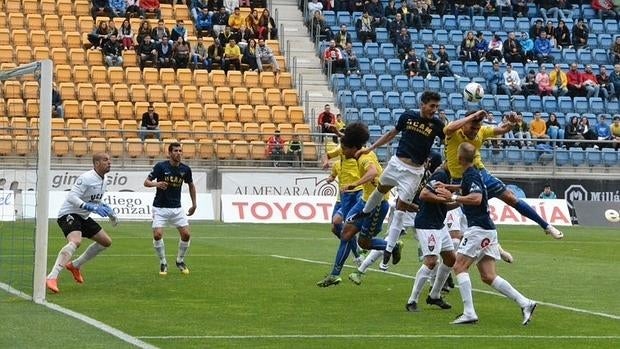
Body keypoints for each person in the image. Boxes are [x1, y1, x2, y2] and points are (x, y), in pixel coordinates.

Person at [439, 143, 537, 325]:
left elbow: (476, 199)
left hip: (478, 229)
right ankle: (526, 303)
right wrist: (448, 187)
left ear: (459, 159)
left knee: (459, 266)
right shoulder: (472, 174)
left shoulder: (471, 175)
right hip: (487, 229)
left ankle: (469, 312)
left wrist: (452, 196)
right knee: (488, 276)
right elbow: (468, 189)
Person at [348, 91, 445, 269]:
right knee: (380, 190)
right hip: (396, 163)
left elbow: (449, 142)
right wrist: (370, 148)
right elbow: (392, 133)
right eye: (432, 106)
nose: (434, 109)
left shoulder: (437, 124)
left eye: (437, 106)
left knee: (400, 210)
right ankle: (365, 212)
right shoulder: (408, 116)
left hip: (414, 172)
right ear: (422, 104)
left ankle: (387, 253)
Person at [444, 110, 564, 239]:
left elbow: (502, 129)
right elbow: (448, 128)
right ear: (464, 124)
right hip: (460, 180)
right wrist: (472, 116)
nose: (475, 131)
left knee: (511, 198)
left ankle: (546, 226)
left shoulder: (482, 131)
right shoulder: (454, 131)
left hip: (481, 174)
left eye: (477, 128)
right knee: (460, 213)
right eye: (472, 128)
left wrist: (511, 123)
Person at [317, 123, 390, 287]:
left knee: (364, 241)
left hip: (376, 203)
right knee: (346, 233)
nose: (341, 151)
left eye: (344, 148)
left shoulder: (365, 157)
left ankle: (391, 245)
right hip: (365, 200)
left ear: (353, 147)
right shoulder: (357, 152)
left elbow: (373, 172)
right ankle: (335, 274)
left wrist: (353, 184)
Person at [45, 153, 116, 293]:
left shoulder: (105, 179)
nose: (109, 162)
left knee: (106, 242)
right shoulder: (86, 178)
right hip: (68, 214)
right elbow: (71, 197)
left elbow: (94, 199)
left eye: (109, 160)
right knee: (76, 241)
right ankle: (52, 277)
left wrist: (109, 211)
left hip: (82, 216)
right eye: (105, 160)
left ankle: (75, 265)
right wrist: (89, 207)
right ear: (96, 163)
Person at [404, 161, 455, 312]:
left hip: (439, 224)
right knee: (431, 261)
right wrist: (446, 199)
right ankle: (412, 301)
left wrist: (463, 202)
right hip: (427, 224)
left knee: (451, 258)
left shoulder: (451, 177)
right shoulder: (440, 175)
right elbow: (424, 194)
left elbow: (446, 204)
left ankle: (435, 295)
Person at [144, 143, 197, 275]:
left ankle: (180, 260)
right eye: (175, 151)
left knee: (186, 235)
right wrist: (157, 183)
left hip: (177, 208)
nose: (178, 153)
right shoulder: (161, 167)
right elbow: (146, 182)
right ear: (169, 153)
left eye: (180, 151)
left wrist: (194, 204)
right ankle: (163, 262)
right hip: (160, 207)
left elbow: (191, 185)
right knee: (157, 235)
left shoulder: (185, 169)